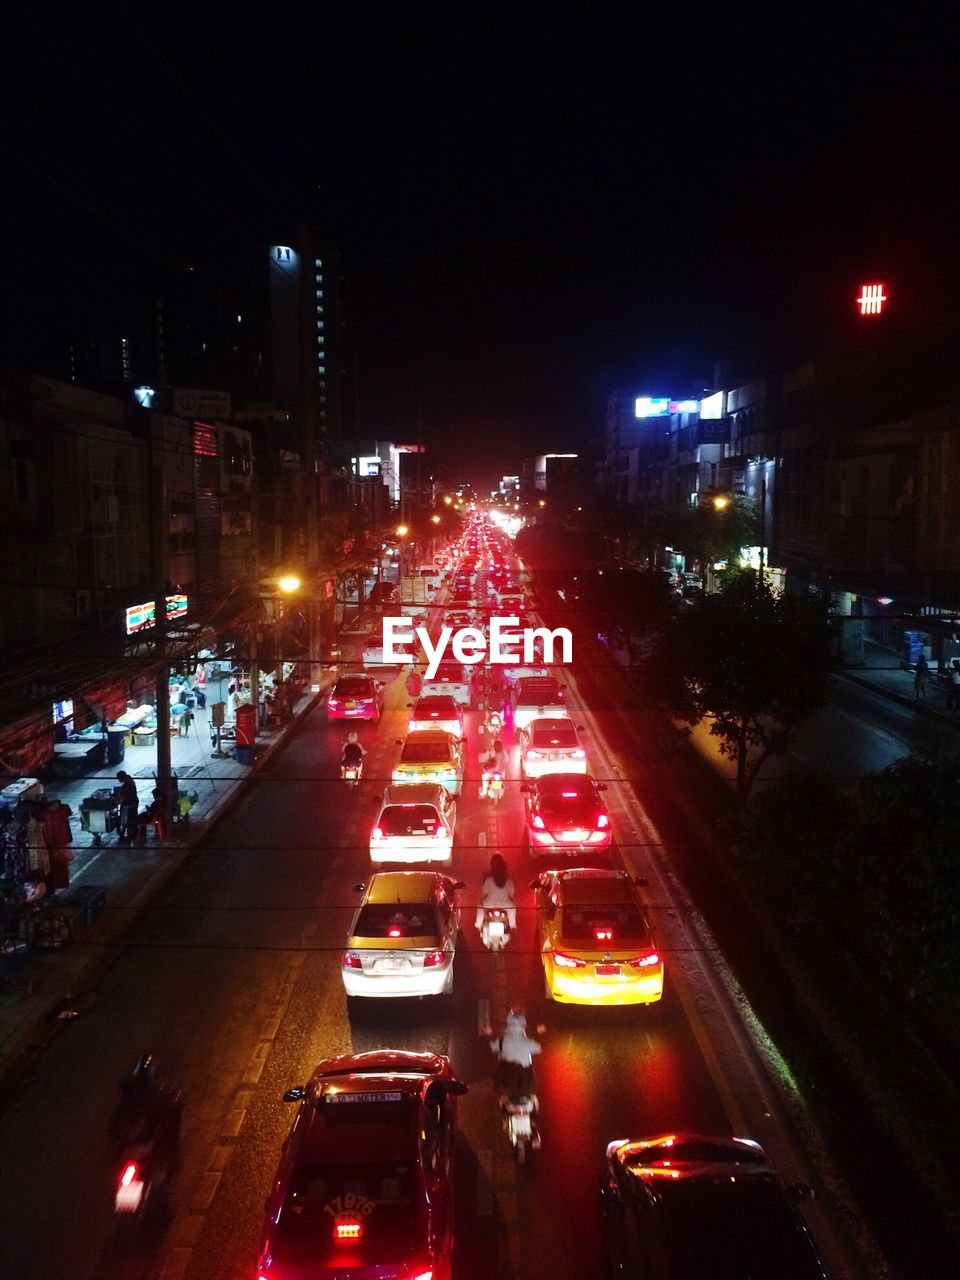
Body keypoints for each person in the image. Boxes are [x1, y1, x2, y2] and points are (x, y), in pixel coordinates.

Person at [490, 1007, 541, 1101]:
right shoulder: (527, 1041)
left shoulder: (502, 1040)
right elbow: (538, 1048)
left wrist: (490, 1035)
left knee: (501, 1098)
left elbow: (493, 1047)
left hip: (506, 1083)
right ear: (524, 1025)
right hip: (525, 1085)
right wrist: (536, 1033)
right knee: (534, 1100)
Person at [475, 852, 516, 930]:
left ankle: (478, 925)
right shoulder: (509, 882)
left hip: (489, 904)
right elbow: (512, 895)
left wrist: (481, 900)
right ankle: (512, 925)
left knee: (480, 905)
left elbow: (483, 894)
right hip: (506, 905)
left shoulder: (489, 880)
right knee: (513, 906)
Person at [115, 771, 139, 844]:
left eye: (119, 778)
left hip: (130, 804)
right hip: (134, 802)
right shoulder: (130, 780)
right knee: (133, 818)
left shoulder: (127, 785)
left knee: (130, 819)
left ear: (122, 778)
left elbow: (126, 797)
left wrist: (117, 799)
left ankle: (132, 834)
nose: (119, 780)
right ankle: (133, 833)